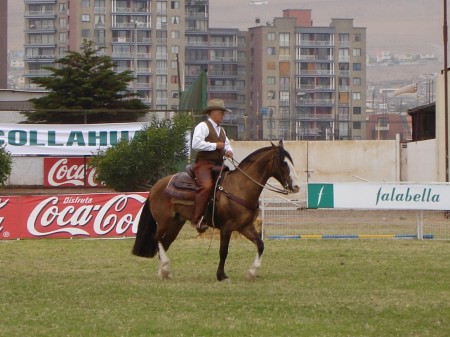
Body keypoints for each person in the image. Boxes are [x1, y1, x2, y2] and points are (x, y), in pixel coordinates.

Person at [191, 99, 234, 232]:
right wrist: (215, 146)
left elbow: (226, 144)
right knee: (207, 186)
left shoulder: (221, 130)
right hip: (204, 164)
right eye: (221, 112)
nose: (223, 115)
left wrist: (229, 151)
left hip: (219, 164)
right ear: (212, 112)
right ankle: (197, 220)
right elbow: (195, 144)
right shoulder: (202, 126)